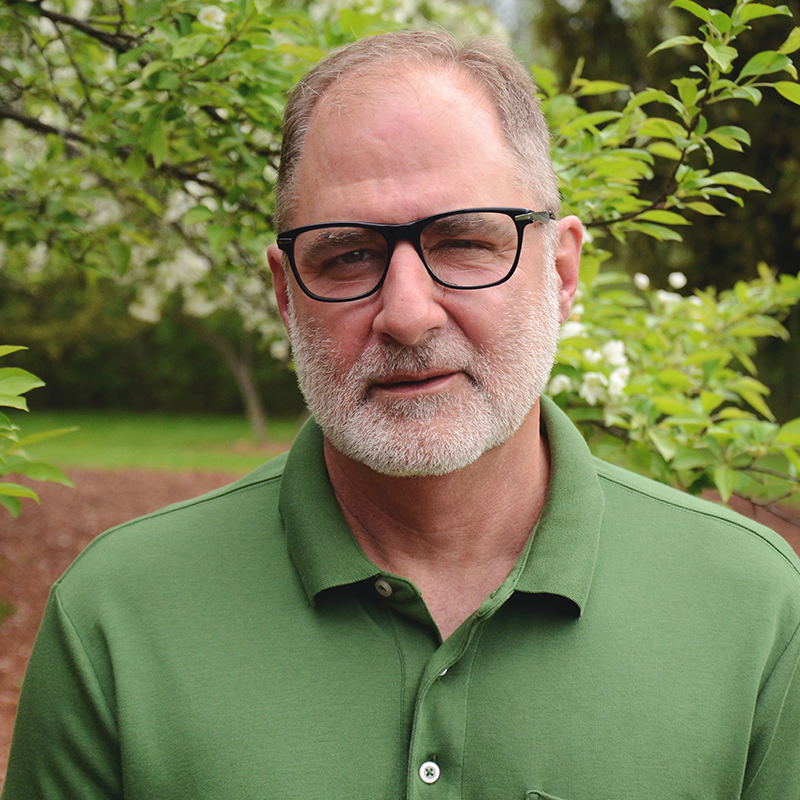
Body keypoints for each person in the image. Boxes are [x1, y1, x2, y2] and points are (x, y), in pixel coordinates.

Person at [3, 30, 800, 800]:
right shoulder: (118, 614)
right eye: (348, 253)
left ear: (560, 270)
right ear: (286, 295)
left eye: (463, 241)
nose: (408, 314)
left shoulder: (756, 610)